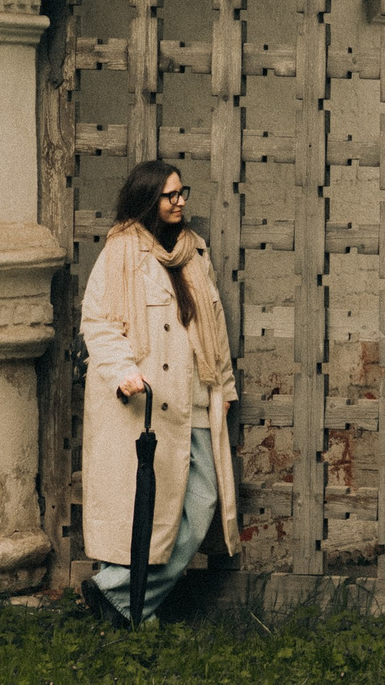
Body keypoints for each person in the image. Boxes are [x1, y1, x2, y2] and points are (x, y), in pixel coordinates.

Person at [77, 158, 239, 625]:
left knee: (202, 501)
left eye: (181, 191)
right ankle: (132, 608)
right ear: (149, 200)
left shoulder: (193, 250)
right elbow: (99, 323)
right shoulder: (121, 253)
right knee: (141, 509)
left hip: (195, 399)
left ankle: (115, 594)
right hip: (143, 405)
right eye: (170, 195)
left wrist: (224, 385)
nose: (180, 201)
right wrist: (123, 372)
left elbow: (213, 323)